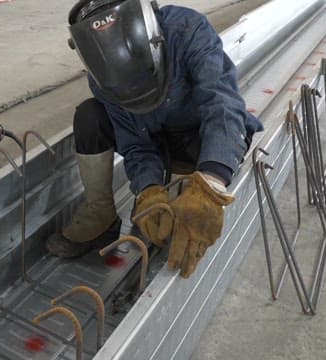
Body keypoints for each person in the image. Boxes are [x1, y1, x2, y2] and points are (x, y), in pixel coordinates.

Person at [46, 0, 263, 278]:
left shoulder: (186, 30)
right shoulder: (102, 77)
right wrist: (147, 190)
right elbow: (136, 143)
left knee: (192, 217)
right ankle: (101, 214)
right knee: (90, 116)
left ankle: (192, 180)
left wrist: (210, 182)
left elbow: (222, 106)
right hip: (157, 142)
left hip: (198, 138)